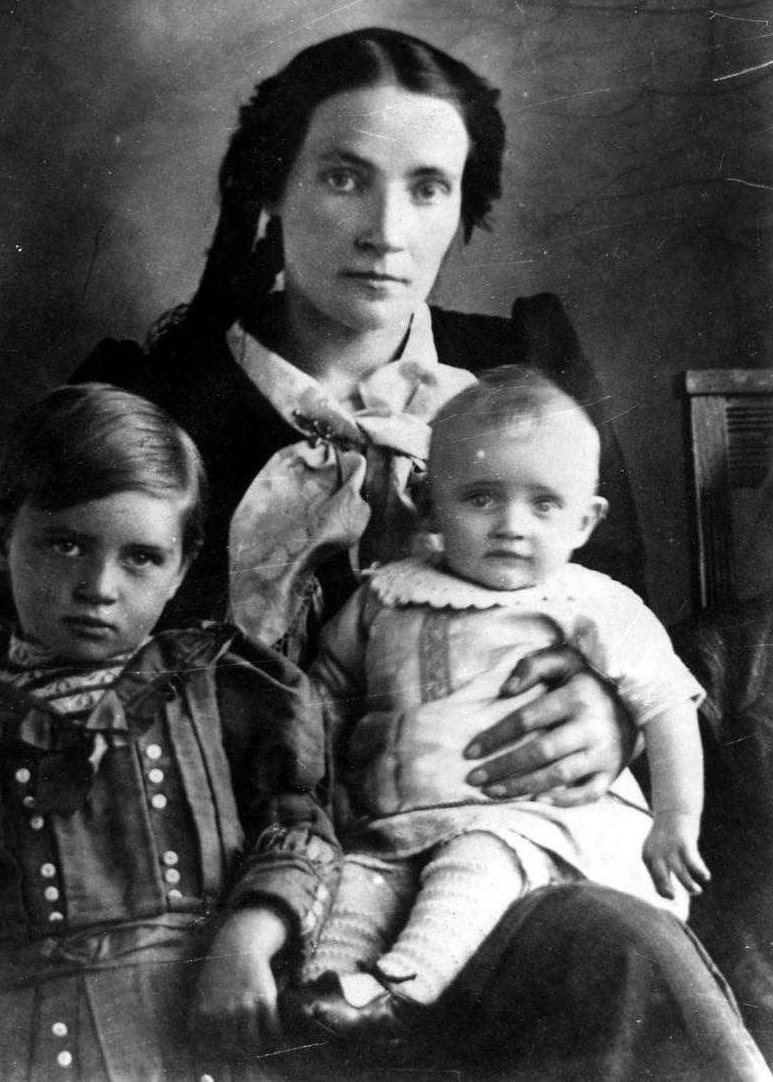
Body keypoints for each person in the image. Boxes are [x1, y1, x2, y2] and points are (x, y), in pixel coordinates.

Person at [66, 28, 772, 1079]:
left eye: (428, 188)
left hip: (507, 877)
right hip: (236, 895)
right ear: (272, 187)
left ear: (461, 209)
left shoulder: (521, 372)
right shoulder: (152, 406)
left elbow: (617, 618)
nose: (386, 231)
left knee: (619, 948)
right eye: (344, 177)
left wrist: (610, 712)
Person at [0, 383, 340, 1082]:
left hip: (187, 1026)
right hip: (3, 1047)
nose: (99, 585)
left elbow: (302, 832)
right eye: (65, 544)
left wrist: (249, 935)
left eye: (141, 556)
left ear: (181, 567)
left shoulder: (219, 688)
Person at [290, 366, 709, 1039]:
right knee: (356, 882)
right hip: (395, 824)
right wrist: (323, 765)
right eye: (481, 498)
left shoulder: (589, 603)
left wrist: (675, 819)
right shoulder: (386, 593)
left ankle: (403, 986)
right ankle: (327, 998)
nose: (512, 526)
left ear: (585, 520)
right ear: (429, 504)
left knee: (479, 859)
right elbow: (328, 684)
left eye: (544, 504)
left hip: (532, 825)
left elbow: (667, 701)